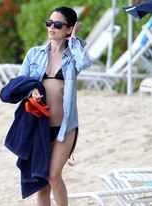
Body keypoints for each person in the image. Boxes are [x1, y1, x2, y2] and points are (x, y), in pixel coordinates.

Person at [7, 6, 92, 206]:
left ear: (69, 29)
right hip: (40, 126)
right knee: (42, 182)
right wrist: (30, 91)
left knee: (54, 176)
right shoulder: (34, 54)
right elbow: (19, 82)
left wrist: (74, 40)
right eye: (49, 23)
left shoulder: (72, 56)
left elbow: (85, 62)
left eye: (58, 24)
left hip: (65, 127)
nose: (51, 27)